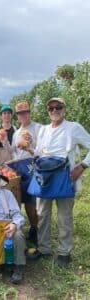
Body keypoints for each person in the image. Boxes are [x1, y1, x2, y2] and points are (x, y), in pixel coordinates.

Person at [27, 97, 90, 267]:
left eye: (58, 107)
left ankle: (64, 252)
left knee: (64, 216)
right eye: (51, 108)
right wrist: (28, 148)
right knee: (42, 214)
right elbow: (39, 152)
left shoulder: (73, 128)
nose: (54, 110)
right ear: (48, 111)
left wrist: (83, 165)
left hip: (64, 176)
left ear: (64, 109)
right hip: (45, 176)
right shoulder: (43, 130)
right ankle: (44, 248)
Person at [10, 101, 41, 246]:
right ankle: (21, 229)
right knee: (18, 200)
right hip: (19, 168)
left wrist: (29, 147)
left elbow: (42, 150)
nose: (23, 115)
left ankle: (36, 229)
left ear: (29, 112)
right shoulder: (16, 133)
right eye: (20, 113)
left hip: (32, 166)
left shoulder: (38, 128)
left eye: (25, 112)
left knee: (31, 202)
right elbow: (14, 152)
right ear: (17, 115)